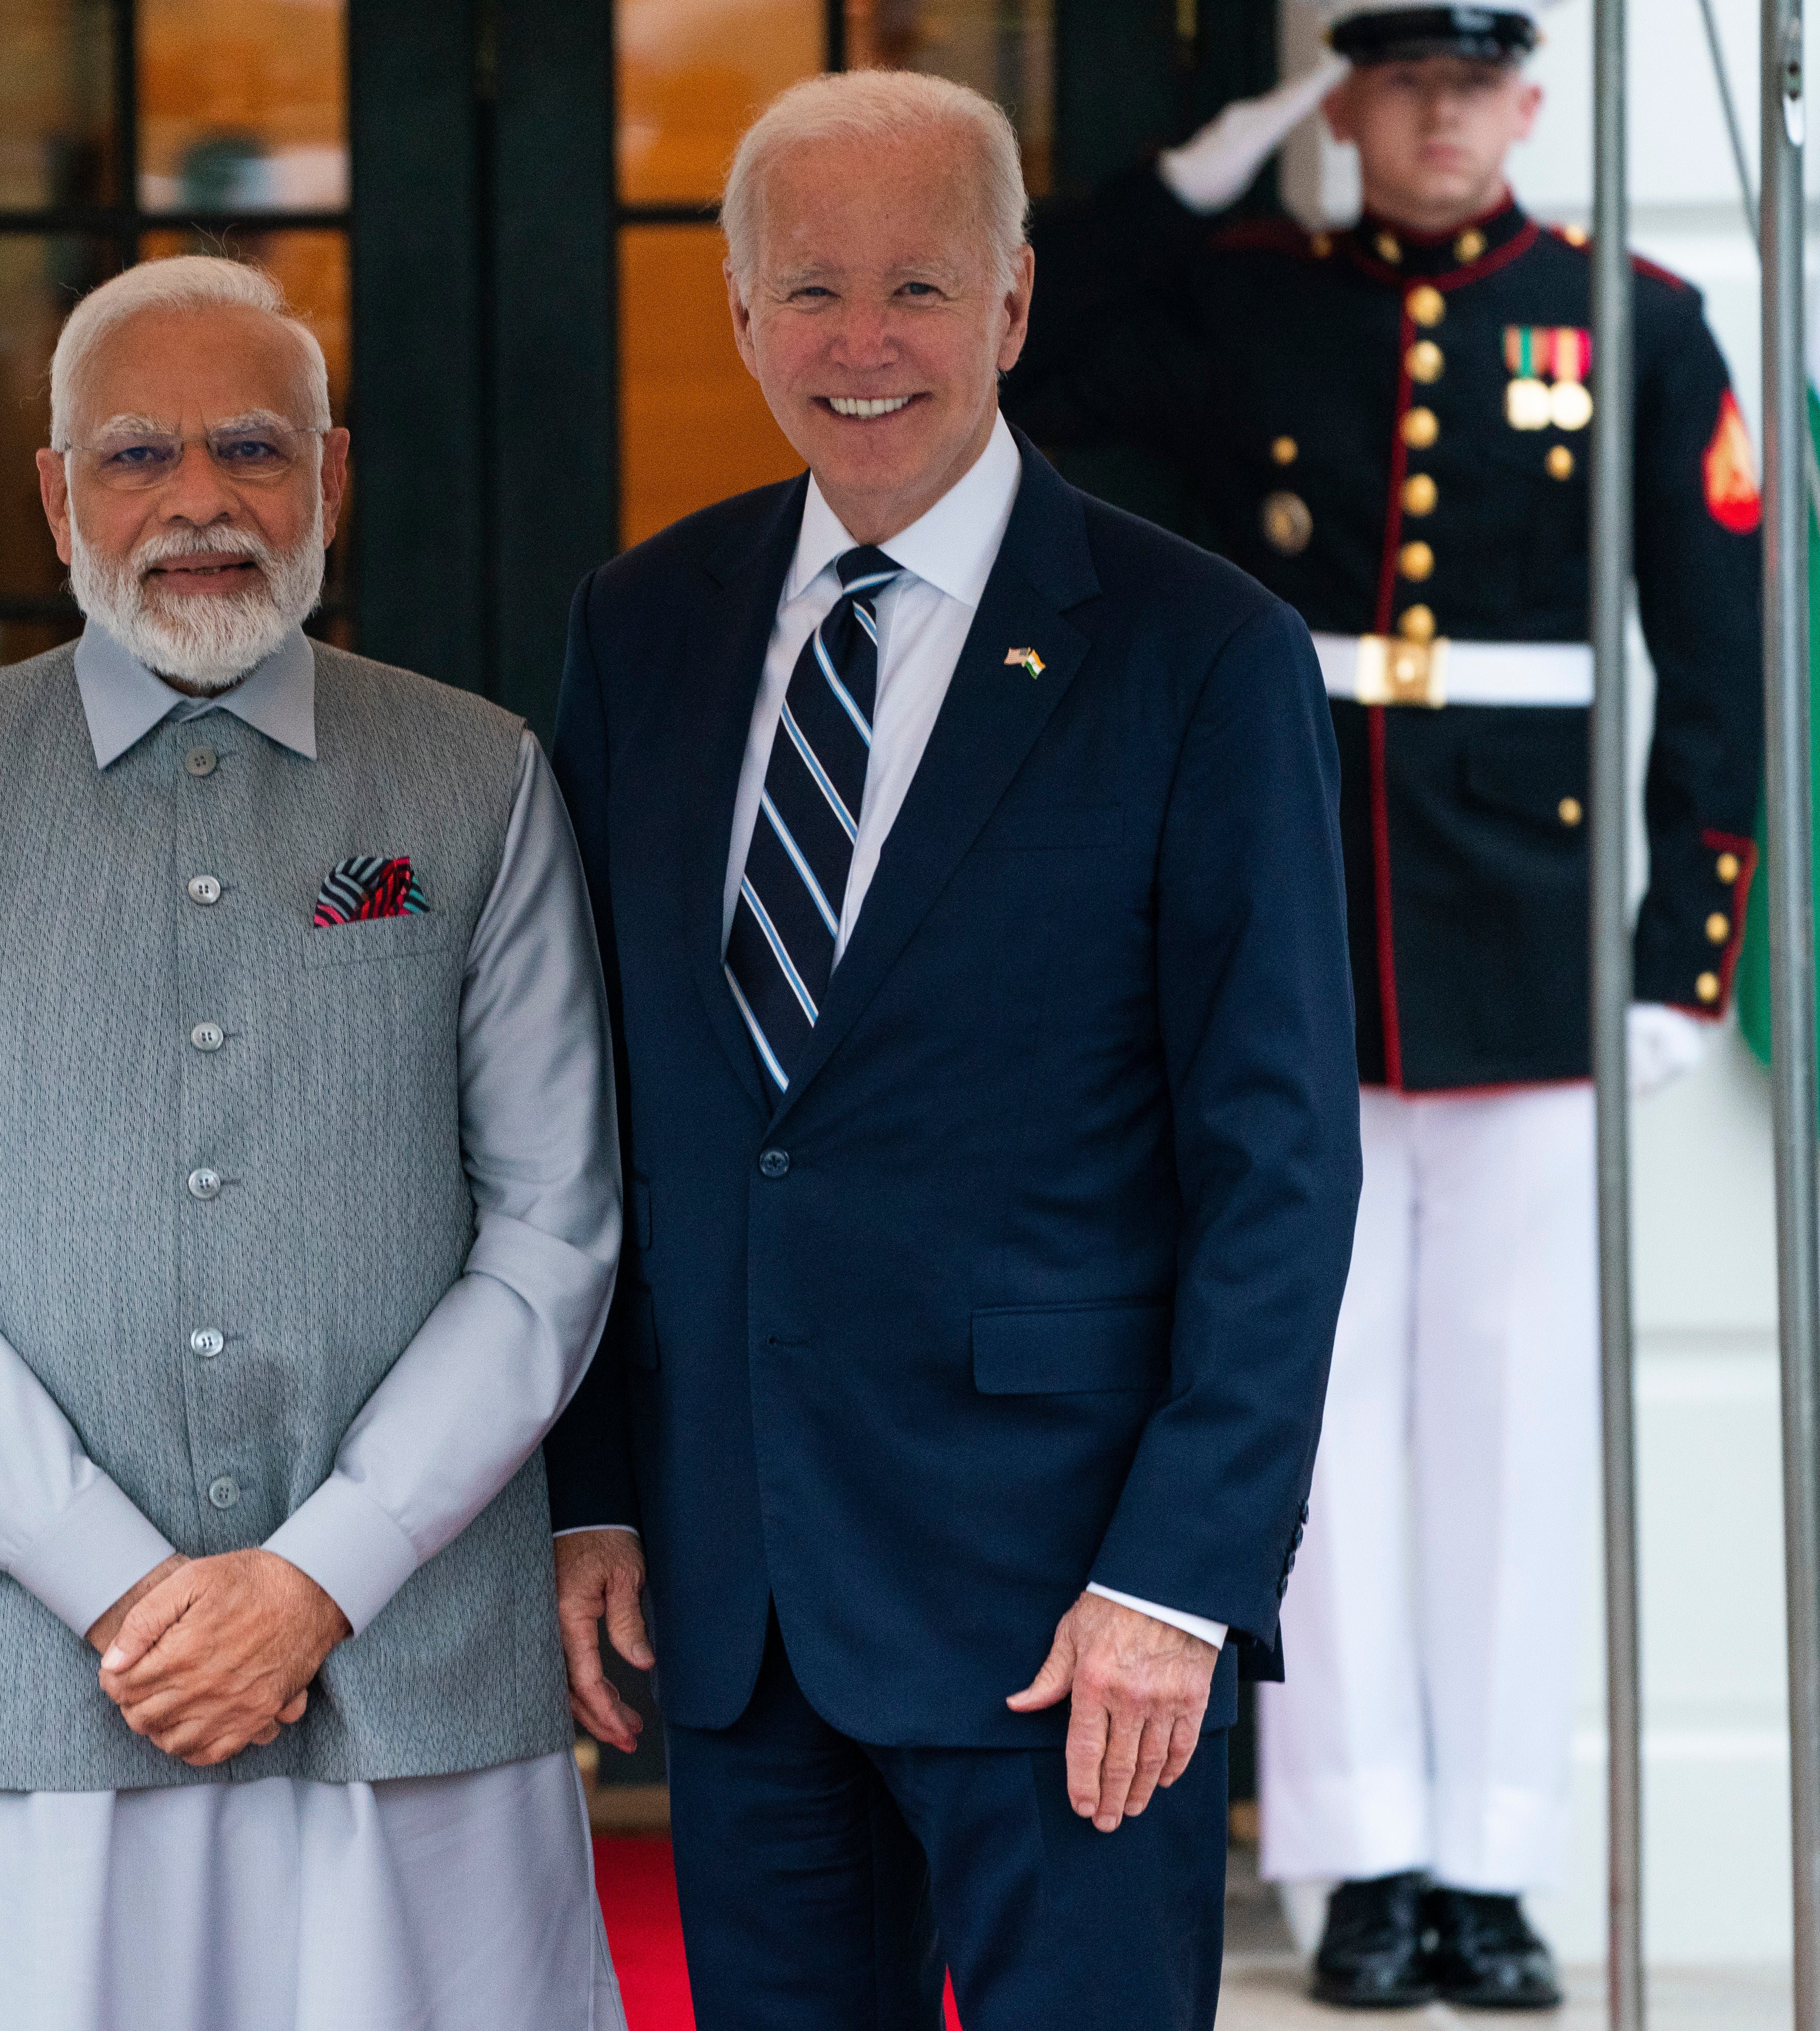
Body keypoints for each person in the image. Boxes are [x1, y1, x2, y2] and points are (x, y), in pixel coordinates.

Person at [545, 71, 1361, 2030]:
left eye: (918, 286)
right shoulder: (640, 628)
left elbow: (1280, 1161)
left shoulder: (1202, 651)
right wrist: (588, 1492)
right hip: (736, 1605)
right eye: (808, 290)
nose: (861, 344)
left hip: (1068, 1616)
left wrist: (1181, 1581)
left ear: (1011, 307)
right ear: (738, 315)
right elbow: (582, 1108)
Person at [1008, 3, 1766, 2005]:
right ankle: (1358, 1856)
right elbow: (1046, 330)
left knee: (1516, 1426)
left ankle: (1494, 1866)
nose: (1441, 117)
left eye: (1475, 85)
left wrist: (1679, 951)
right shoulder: (1249, 297)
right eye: (1400, 83)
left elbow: (1721, 660)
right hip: (1300, 923)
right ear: (1349, 100)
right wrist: (1204, 165)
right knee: (1316, 1414)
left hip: (1528, 940)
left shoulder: (1639, 317)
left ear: (1528, 103)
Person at [0, 254, 626, 2031]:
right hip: (1, 1689)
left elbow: (554, 1228)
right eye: (138, 454)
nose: (198, 503)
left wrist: (319, 1581)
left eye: (249, 448)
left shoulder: (481, 777)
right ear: (55, 493)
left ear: (333, 475)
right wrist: (124, 1588)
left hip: (405, 1670)